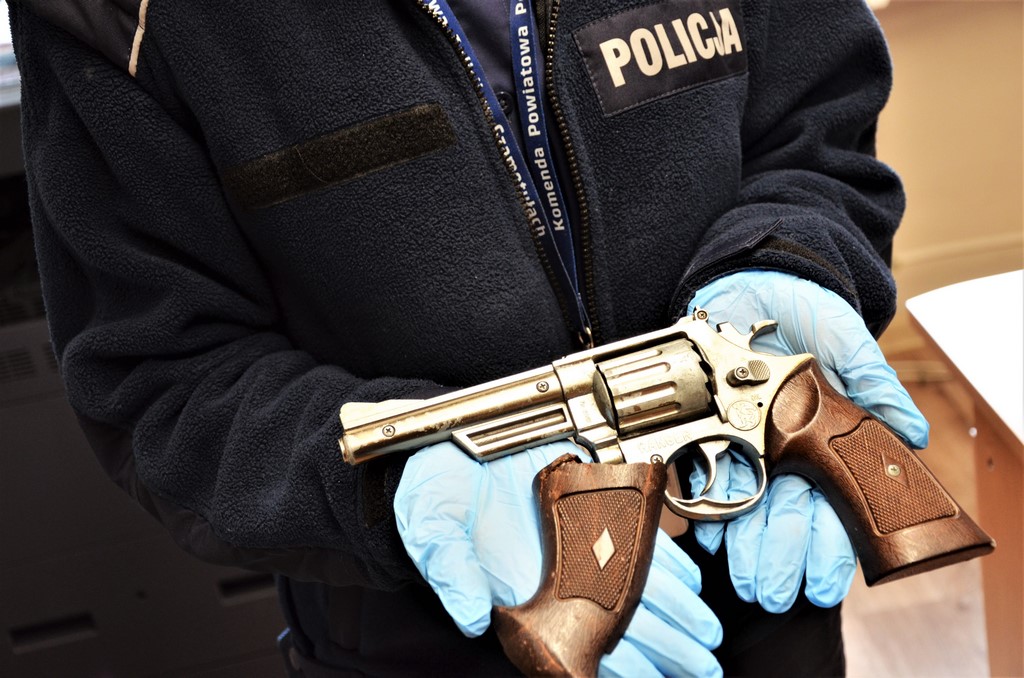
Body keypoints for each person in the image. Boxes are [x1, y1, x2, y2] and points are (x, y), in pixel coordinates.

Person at [9, 0, 928, 675]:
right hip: (419, 645)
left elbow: (820, 131)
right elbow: (163, 380)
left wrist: (791, 262)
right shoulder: (116, 17)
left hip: (767, 613)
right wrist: (393, 481)